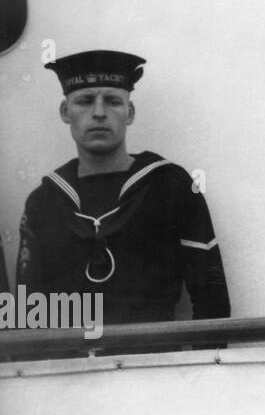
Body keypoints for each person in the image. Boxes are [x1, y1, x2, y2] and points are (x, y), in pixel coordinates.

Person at [15, 50, 231, 324]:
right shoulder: (43, 202)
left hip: (152, 361)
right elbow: (26, 311)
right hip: (71, 363)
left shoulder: (170, 186)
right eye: (84, 101)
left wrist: (200, 366)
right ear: (65, 112)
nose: (99, 113)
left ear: (129, 112)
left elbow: (212, 299)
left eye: (113, 101)